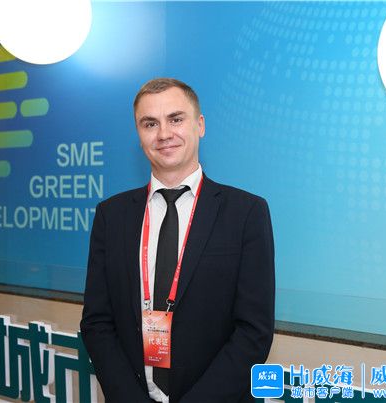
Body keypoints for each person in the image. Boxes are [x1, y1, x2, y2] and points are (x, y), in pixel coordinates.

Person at [80, 78, 275, 402]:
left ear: (200, 125)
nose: (163, 134)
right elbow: (97, 322)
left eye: (176, 119)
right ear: (138, 134)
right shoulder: (111, 216)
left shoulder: (246, 213)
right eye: (150, 123)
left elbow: (254, 332)